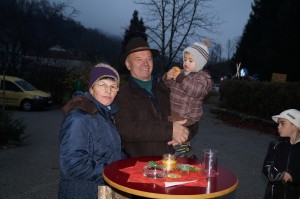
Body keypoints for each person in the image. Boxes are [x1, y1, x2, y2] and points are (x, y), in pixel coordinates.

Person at [115, 37, 198, 157]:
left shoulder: (168, 89)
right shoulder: (122, 94)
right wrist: (170, 130)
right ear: (128, 64)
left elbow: (193, 117)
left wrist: (185, 133)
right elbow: (127, 129)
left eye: (149, 59)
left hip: (180, 161)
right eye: (139, 59)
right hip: (146, 167)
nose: (145, 63)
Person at [58, 63, 127, 199]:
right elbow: (73, 166)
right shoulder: (79, 118)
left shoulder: (106, 115)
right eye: (102, 85)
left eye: (113, 86)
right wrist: (114, 172)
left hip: (101, 190)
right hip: (82, 192)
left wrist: (132, 166)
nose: (108, 90)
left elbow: (113, 153)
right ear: (91, 89)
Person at [162, 39, 213, 126]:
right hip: (174, 111)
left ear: (200, 63)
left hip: (187, 116)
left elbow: (196, 91)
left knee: (180, 137)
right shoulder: (181, 72)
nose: (186, 62)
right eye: (185, 59)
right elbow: (170, 85)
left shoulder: (202, 77)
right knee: (169, 133)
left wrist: (181, 79)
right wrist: (167, 78)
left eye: (190, 60)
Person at [262, 109, 300, 199]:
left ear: (296, 126)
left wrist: (293, 177)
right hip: (273, 194)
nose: (278, 127)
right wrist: (281, 175)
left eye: (282, 123)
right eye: (278, 124)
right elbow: (266, 166)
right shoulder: (276, 144)